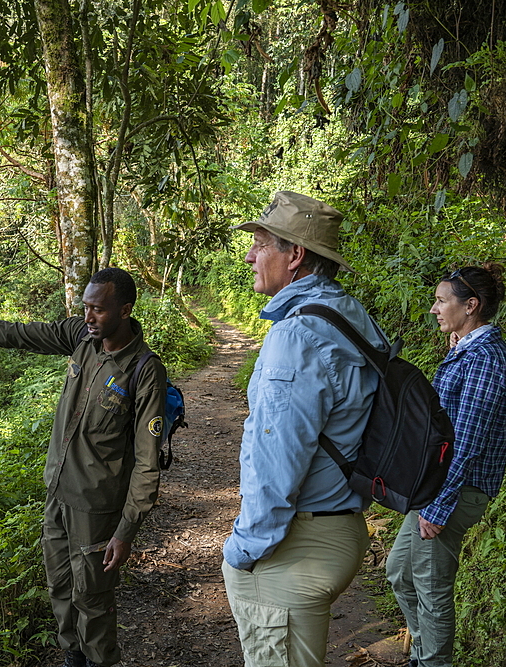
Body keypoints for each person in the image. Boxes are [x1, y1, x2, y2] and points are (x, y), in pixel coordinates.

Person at [0, 267, 167, 667]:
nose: (88, 317)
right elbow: (18, 334)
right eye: (85, 307)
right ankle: (72, 659)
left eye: (98, 309)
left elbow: (148, 464)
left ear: (125, 310)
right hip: (58, 493)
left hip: (97, 508)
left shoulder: (144, 371)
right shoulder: (81, 338)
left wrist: (126, 530)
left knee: (93, 599)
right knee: (60, 588)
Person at [222, 190, 387, 667]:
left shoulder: (295, 335)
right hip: (342, 525)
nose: (251, 255)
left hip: (299, 544)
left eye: (261, 244)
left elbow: (279, 456)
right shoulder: (349, 314)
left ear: (295, 255)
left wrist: (245, 549)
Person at [385, 264, 506, 667]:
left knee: (430, 588)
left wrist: (438, 505)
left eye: (442, 301)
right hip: (438, 489)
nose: (433, 309)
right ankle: (423, 655)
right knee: (400, 575)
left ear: (471, 305)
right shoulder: (467, 348)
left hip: (455, 491)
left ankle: (430, 662)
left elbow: (468, 440)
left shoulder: (486, 359)